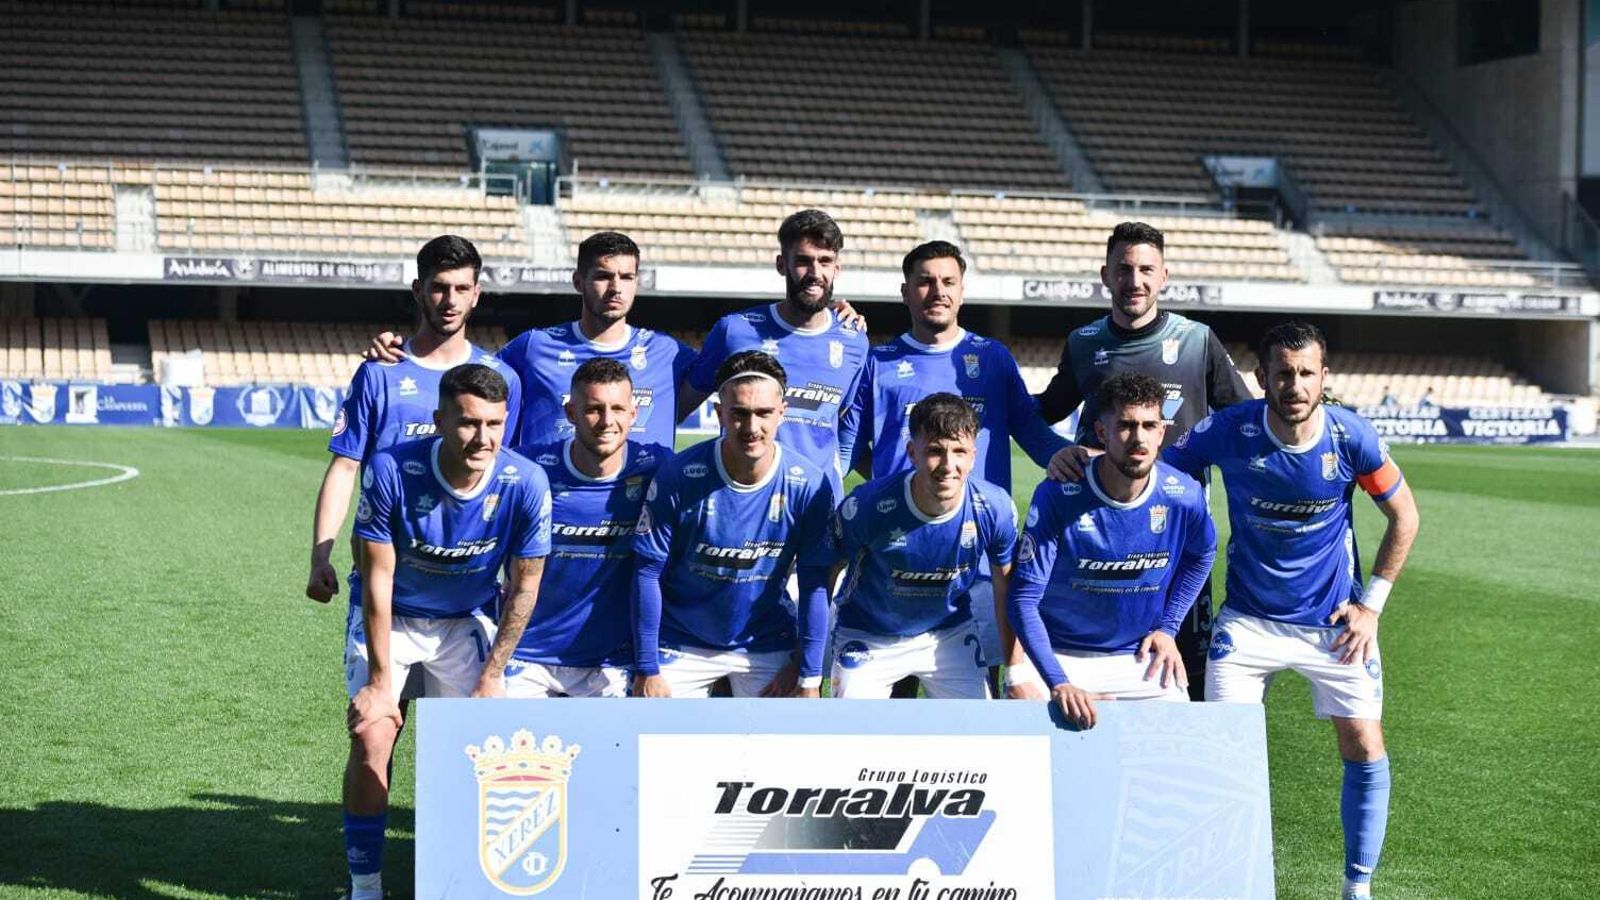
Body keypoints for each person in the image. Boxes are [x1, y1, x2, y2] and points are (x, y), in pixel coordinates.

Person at [1163, 322, 1420, 900]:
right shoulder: (1227, 430)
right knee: (1221, 751)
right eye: (1283, 373)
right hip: (1248, 622)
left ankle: (1358, 888)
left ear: (1324, 377)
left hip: (1334, 625)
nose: (1295, 384)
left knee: (1364, 742)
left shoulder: (1352, 437)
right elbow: (1160, 476)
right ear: (1262, 378)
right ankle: (1225, 880)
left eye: (1307, 373)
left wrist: (1371, 606)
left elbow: (1405, 516)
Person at [342, 363, 551, 900]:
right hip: (396, 615)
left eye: (494, 424)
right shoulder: (391, 469)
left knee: (475, 750)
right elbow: (377, 578)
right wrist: (381, 682)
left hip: (463, 623)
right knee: (373, 735)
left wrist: (494, 673)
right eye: (467, 423)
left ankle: (458, 880)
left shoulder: (525, 481)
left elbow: (524, 588)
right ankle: (366, 887)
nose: (482, 438)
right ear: (439, 420)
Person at [1037, 221, 1250, 700]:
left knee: (1182, 665)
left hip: (1176, 528)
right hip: (1093, 528)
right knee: (1090, 656)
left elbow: (1241, 420)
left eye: (1146, 270)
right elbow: (1044, 411)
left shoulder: (1197, 340)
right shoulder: (1084, 342)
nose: (1135, 281)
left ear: (1164, 276)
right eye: (1124, 270)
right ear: (1105, 275)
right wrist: (1057, 454)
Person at [841, 240, 1067, 683]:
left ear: (962, 291)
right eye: (924, 281)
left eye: (948, 282)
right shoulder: (878, 362)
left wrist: (1068, 456)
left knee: (979, 706)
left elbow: (1029, 428)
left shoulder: (992, 358)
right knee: (886, 702)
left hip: (974, 565)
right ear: (905, 291)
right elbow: (848, 452)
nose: (936, 291)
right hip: (893, 555)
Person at [308, 234, 521, 605]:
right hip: (385, 582)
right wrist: (320, 556)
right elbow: (344, 467)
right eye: (439, 288)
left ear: (476, 294)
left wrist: (515, 572)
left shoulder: (502, 379)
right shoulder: (379, 373)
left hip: (467, 590)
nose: (450, 301)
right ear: (418, 290)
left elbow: (509, 479)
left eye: (461, 288)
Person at [1005, 373, 1217, 726]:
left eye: (1150, 425)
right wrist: (1058, 682)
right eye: (1126, 425)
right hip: (1057, 654)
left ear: (1162, 432)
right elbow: (1023, 599)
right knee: (1029, 747)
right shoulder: (1059, 493)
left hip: (1138, 656)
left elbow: (1202, 554)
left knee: (1177, 747)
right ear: (1102, 433)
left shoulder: (1184, 494)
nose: (1139, 438)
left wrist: (1168, 627)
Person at [364, 231, 698, 450]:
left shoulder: (668, 353)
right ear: (578, 282)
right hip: (552, 519)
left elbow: (732, 372)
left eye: (626, 277)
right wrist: (400, 350)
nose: (616, 288)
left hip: (640, 521)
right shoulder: (532, 347)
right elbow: (469, 371)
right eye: (603, 276)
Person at [631, 351, 836, 698]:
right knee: (653, 740)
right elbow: (647, 572)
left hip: (764, 638)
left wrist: (807, 676)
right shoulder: (679, 476)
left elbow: (816, 583)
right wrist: (647, 668)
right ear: (719, 414)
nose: (752, 427)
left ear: (782, 413)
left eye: (764, 413)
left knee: (789, 743)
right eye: (739, 414)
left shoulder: (809, 484)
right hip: (682, 639)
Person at [830, 393, 1018, 699]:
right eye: (934, 451)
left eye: (959, 451)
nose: (948, 465)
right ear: (912, 453)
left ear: (973, 456)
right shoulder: (867, 505)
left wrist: (1017, 671)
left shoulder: (993, 506)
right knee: (853, 732)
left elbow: (1007, 586)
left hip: (949, 633)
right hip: (869, 634)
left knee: (979, 733)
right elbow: (825, 572)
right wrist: (807, 669)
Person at [510, 358, 668, 697]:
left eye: (617, 409)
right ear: (570, 412)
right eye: (594, 409)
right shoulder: (528, 467)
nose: (607, 421)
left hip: (613, 661)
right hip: (528, 655)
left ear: (633, 413)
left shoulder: (660, 466)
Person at [681, 209, 870, 491]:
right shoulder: (734, 331)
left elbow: (845, 419)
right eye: (803, 261)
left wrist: (836, 472)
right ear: (782, 264)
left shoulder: (854, 341)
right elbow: (680, 406)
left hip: (816, 507)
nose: (815, 273)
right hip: (743, 498)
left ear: (836, 269)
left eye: (825, 261)